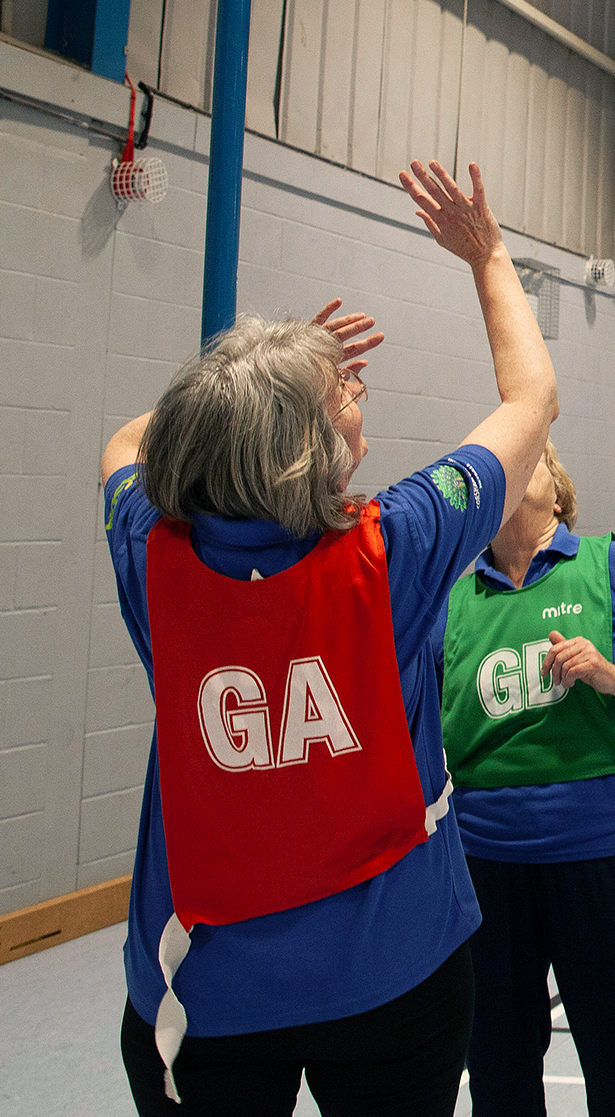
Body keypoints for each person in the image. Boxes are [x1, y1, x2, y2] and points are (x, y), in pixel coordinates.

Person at [99, 161, 557, 1115]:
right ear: (310, 452)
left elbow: (128, 443)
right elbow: (532, 400)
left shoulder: (155, 555)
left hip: (203, 990)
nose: (355, 388)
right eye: (336, 392)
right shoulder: (398, 546)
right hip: (394, 975)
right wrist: (490, 257)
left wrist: (250, 380)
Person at [441, 440, 615, 1116]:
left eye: (525, 460)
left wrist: (613, 677)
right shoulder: (452, 595)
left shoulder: (614, 567)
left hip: (604, 857)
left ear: (556, 494)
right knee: (497, 1073)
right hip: (484, 866)